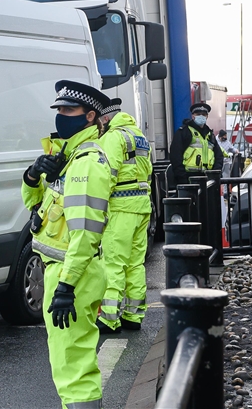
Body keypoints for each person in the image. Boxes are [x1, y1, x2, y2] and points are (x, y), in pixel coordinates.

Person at [21, 80, 113, 409]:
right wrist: (33, 175)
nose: (61, 115)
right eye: (59, 109)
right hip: (62, 271)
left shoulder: (86, 162)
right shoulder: (68, 157)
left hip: (74, 273)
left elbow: (85, 233)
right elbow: (36, 206)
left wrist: (67, 286)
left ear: (90, 117)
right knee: (66, 363)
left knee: (73, 367)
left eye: (69, 110)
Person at [95, 98, 153, 334]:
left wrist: (97, 204)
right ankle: (133, 315)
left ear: (105, 118)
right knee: (135, 263)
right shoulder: (138, 135)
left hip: (120, 207)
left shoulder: (113, 137)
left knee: (113, 262)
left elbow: (107, 174)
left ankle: (109, 318)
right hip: (142, 205)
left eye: (99, 121)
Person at [168, 103, 223, 185]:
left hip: (208, 178)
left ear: (207, 116)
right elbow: (175, 156)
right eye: (198, 114)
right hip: (189, 177)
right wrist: (182, 178)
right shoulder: (184, 132)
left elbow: (219, 156)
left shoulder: (210, 135)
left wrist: (215, 173)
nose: (201, 116)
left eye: (204, 114)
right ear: (193, 116)